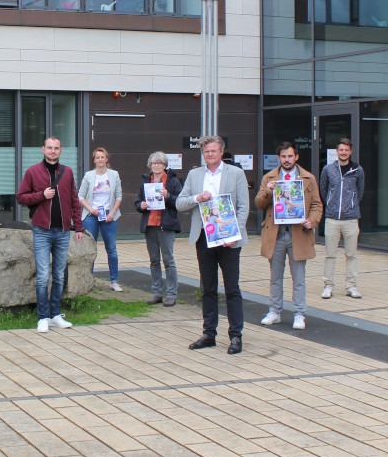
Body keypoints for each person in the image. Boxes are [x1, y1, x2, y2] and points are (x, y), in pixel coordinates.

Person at [176, 135, 249, 355]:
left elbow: (244, 207)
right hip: (204, 237)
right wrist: (197, 198)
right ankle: (209, 333)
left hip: (229, 239)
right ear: (203, 153)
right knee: (207, 288)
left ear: (222, 151)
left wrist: (235, 234)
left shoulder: (236, 173)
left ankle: (236, 335)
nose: (210, 154)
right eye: (207, 151)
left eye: (214, 151)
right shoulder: (195, 174)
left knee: (232, 288)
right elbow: (180, 203)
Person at [16, 136, 84, 333]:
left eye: (56, 148)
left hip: (62, 231)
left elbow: (73, 200)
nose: (53, 151)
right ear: (43, 149)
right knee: (43, 275)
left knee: (59, 276)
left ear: (61, 151)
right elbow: (21, 197)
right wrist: (41, 195)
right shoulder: (33, 171)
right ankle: (42, 317)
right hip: (42, 231)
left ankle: (55, 314)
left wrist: (78, 226)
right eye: (49, 148)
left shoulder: (68, 172)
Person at [255, 142, 323, 330]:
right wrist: (268, 191)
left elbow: (317, 205)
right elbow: (259, 203)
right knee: (275, 277)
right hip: (275, 234)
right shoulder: (269, 177)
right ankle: (275, 311)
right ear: (279, 158)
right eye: (283, 157)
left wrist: (312, 220)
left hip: (299, 233)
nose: (287, 160)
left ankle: (299, 313)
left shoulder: (308, 178)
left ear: (296, 157)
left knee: (298, 278)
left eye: (290, 156)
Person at [134, 151, 182, 307]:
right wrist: (141, 205)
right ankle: (156, 293)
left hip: (166, 225)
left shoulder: (173, 182)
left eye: (159, 163)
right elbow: (138, 201)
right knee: (154, 261)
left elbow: (180, 202)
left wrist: (168, 196)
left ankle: (171, 294)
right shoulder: (145, 181)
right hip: (150, 224)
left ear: (164, 165)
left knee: (168, 260)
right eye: (154, 163)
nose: (156, 166)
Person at [319, 138, 365, 299]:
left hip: (351, 219)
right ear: (337, 151)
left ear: (350, 151)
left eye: (346, 150)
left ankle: (351, 286)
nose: (344, 152)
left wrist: (350, 206)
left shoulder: (357, 170)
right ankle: (328, 285)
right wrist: (331, 205)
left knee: (351, 255)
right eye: (341, 150)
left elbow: (360, 192)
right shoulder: (328, 169)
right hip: (332, 219)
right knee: (330, 254)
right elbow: (323, 190)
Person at [78, 147, 123, 291]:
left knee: (111, 249)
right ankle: (88, 281)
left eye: (102, 157)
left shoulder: (114, 175)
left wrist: (112, 213)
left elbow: (119, 196)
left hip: (109, 217)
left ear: (106, 159)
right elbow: (80, 196)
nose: (100, 160)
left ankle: (114, 281)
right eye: (97, 157)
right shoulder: (89, 176)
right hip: (91, 216)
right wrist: (91, 209)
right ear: (94, 160)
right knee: (90, 248)